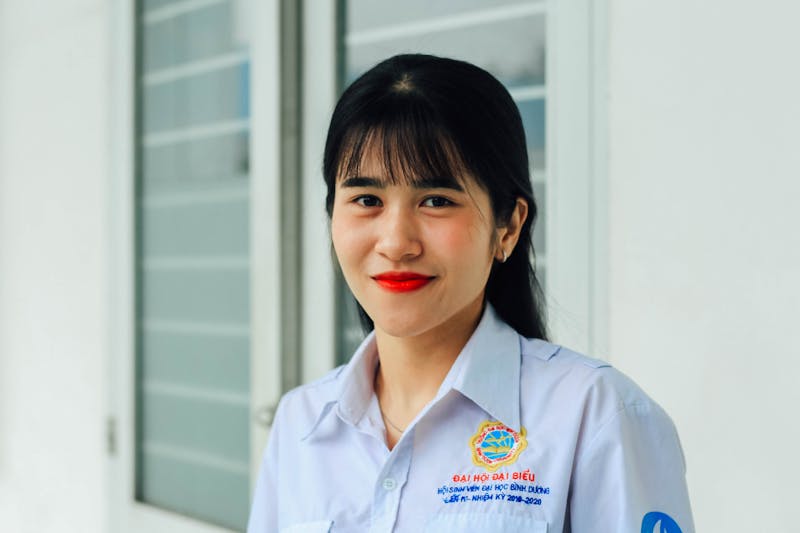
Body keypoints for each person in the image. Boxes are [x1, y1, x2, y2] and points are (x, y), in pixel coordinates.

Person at [247, 54, 693, 533]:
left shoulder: (596, 414)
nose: (396, 242)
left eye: (436, 201)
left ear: (508, 226)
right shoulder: (301, 424)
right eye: (367, 201)